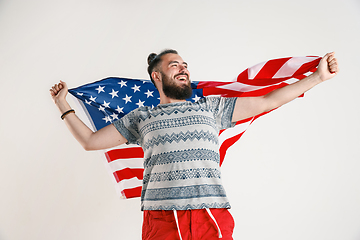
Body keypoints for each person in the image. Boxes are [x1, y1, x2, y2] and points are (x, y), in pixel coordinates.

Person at [50, 49, 338, 240]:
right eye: (174, 65)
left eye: (185, 65)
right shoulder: (141, 118)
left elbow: (268, 100)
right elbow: (90, 142)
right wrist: (63, 105)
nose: (183, 68)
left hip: (210, 216)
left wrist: (317, 77)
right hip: (160, 219)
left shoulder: (210, 108)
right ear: (157, 76)